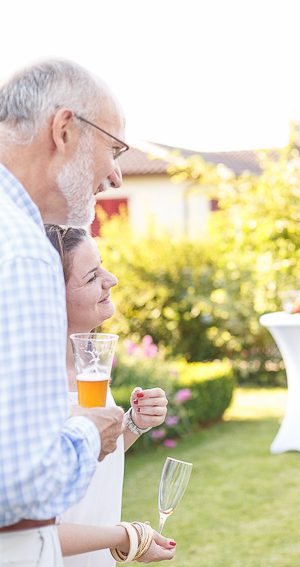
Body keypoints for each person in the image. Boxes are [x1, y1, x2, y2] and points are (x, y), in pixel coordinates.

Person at [1, 59, 128, 565]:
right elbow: (23, 485)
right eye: (113, 149)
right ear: (65, 129)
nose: (115, 176)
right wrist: (87, 431)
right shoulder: (22, 250)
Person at [45, 224, 175, 565]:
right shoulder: (35, 388)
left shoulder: (88, 367)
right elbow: (31, 530)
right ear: (51, 296)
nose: (112, 279)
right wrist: (128, 536)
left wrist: (132, 423)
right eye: (91, 277)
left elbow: (87, 459)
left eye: (102, 265)